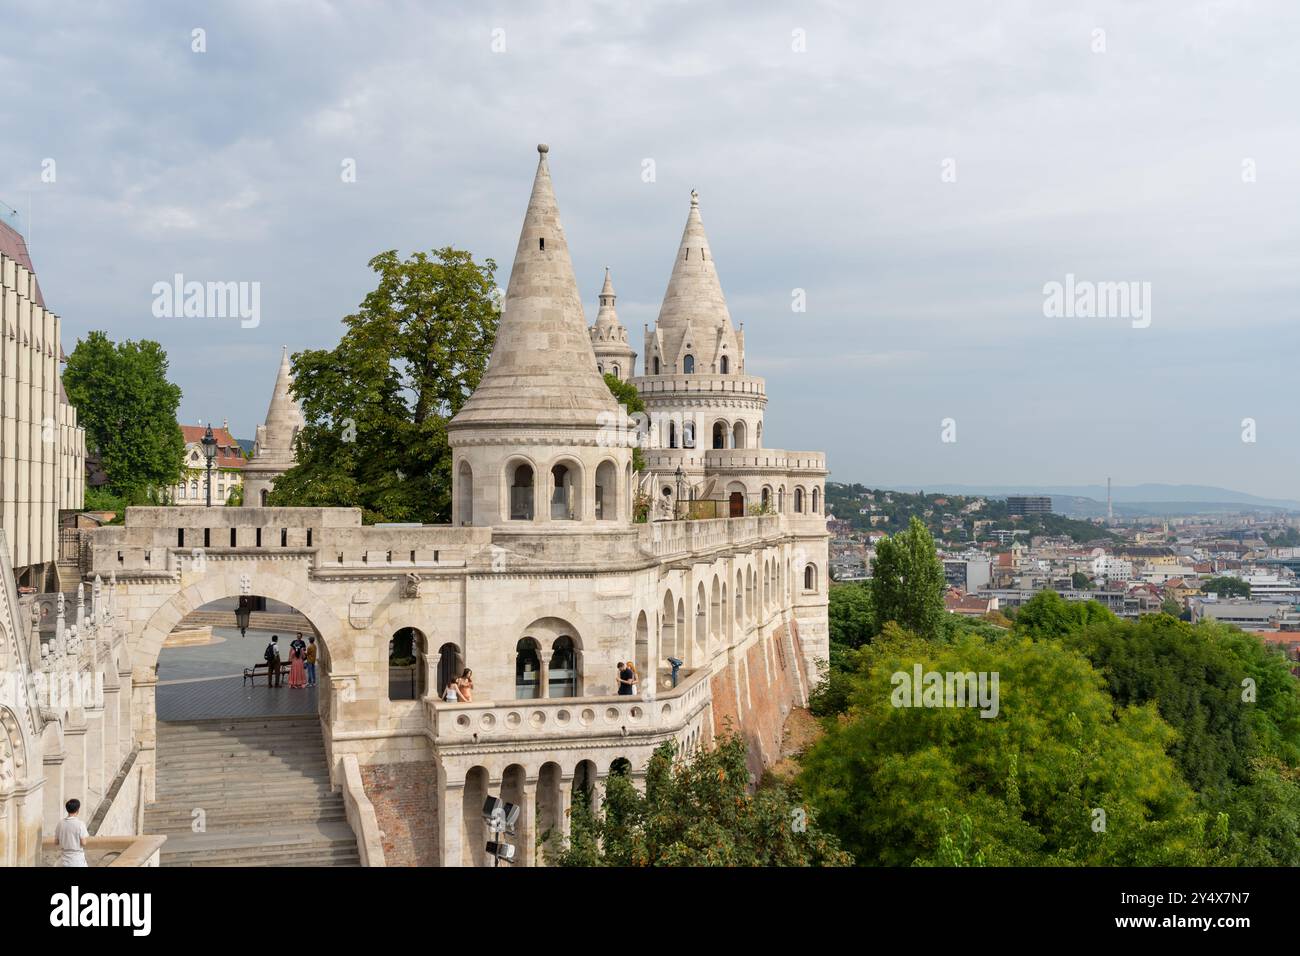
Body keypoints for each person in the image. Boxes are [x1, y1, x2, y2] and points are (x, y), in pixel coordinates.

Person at [55, 799, 89, 868]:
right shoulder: (80, 824)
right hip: (77, 860)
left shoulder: (60, 823)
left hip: (64, 859)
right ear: (77, 810)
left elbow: (56, 842)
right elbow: (83, 843)